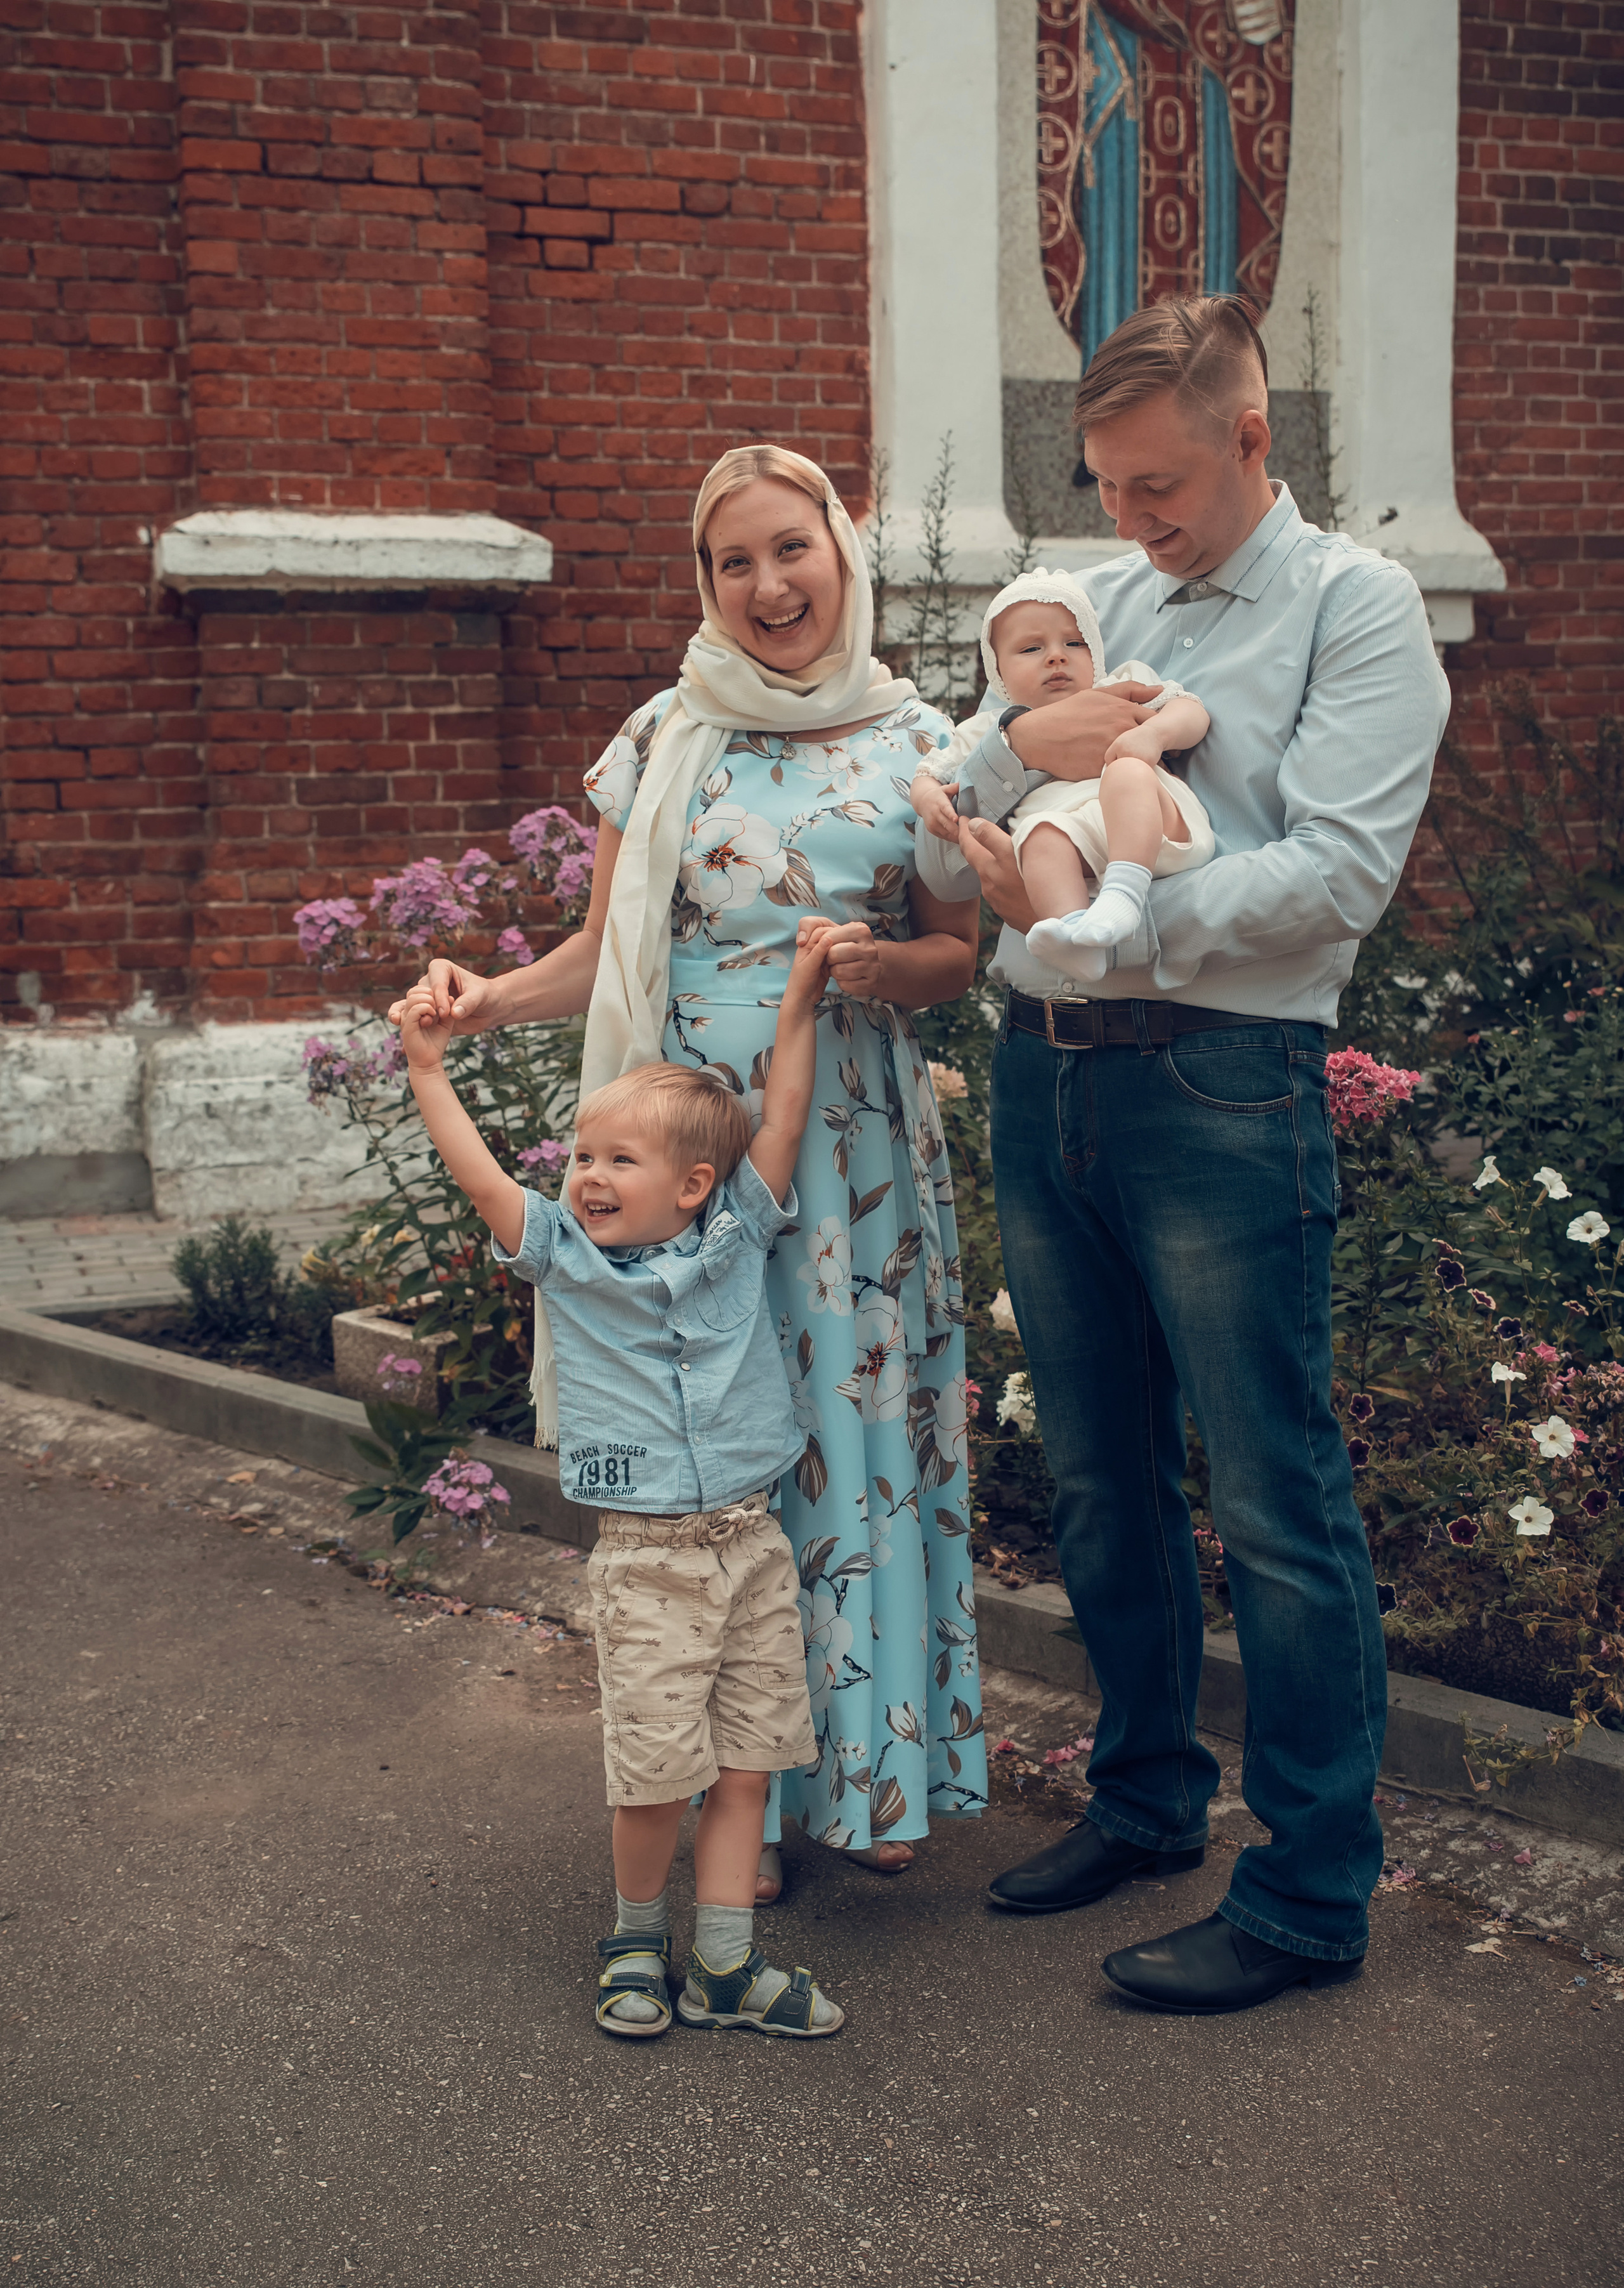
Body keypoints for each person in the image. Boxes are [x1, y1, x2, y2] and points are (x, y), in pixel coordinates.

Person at [917, 294, 1452, 2015]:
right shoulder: (1100, 604)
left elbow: (1332, 878)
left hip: (1224, 1084)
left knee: (1273, 1500)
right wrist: (1017, 770)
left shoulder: (1357, 609)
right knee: (1097, 1474)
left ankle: (1304, 1894)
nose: (1130, 516)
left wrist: (1101, 923)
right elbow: (958, 787)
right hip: (1044, 1078)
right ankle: (1145, 1799)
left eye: (1158, 482)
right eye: (1105, 483)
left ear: (1250, 436)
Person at [391, 444, 987, 1906]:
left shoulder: (920, 741)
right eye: (734, 562)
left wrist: (879, 966)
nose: (768, 585)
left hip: (848, 1152)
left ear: (842, 553)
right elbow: (602, 951)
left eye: (792, 549)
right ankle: (744, 1809)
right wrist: (482, 1002)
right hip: (683, 1167)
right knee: (712, 1462)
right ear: (704, 581)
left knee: (850, 1438)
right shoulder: (663, 734)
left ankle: (873, 1776)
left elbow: (956, 956)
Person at [397, 927, 847, 2039]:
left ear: (694, 1185)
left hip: (752, 1546)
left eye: (618, 1160)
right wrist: (426, 1068)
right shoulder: (564, 1255)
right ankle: (635, 1942)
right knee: (652, 1772)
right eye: (582, 1156)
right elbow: (483, 1176)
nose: (588, 1176)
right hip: (647, 1558)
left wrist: (800, 994)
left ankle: (728, 1964)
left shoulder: (737, 1236)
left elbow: (784, 1115)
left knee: (747, 1765)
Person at [909, 568, 1213, 984]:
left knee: (1125, 770)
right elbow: (929, 773)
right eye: (1032, 648)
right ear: (999, 673)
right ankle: (1075, 938)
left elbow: (1190, 709)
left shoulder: (1121, 684)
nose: (1057, 656)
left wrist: (1155, 734)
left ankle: (1124, 894)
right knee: (1039, 834)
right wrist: (929, 800)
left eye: (1074, 643)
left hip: (1154, 826)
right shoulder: (990, 728)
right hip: (1076, 849)